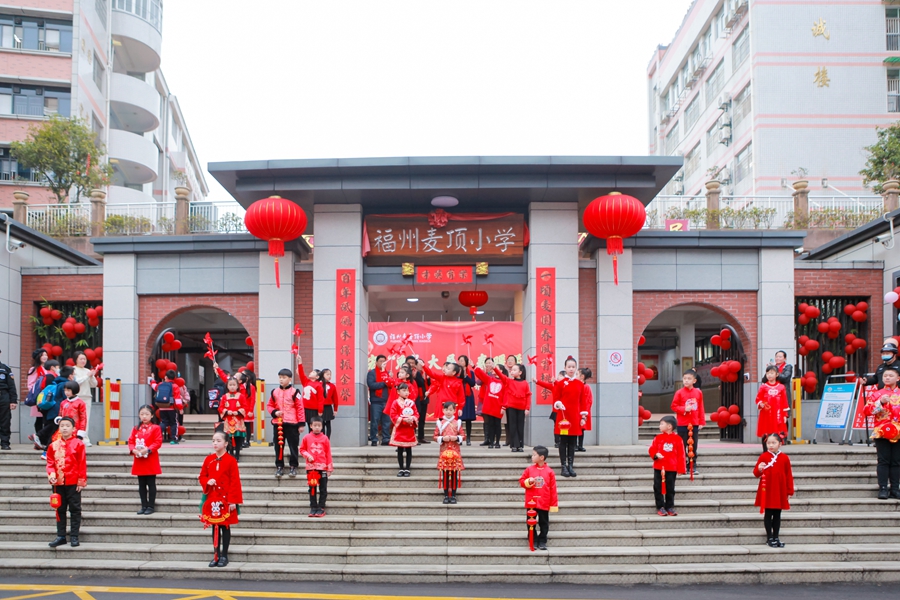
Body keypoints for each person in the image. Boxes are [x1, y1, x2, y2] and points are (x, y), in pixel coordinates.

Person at [199, 431, 243, 567]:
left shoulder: (231, 460)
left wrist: (233, 501)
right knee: (214, 526)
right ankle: (216, 554)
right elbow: (202, 476)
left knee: (225, 526)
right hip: (212, 498)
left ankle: (224, 555)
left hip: (226, 498)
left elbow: (235, 481)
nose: (215, 443)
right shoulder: (208, 459)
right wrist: (207, 481)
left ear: (226, 443)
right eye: (213, 441)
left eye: (218, 441)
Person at [46, 416, 87, 548]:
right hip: (58, 483)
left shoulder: (78, 444)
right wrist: (51, 474)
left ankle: (74, 536)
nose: (64, 428)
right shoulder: (53, 445)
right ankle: (61, 536)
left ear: (73, 429)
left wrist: (81, 481)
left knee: (75, 509)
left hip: (73, 481)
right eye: (62, 425)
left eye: (67, 425)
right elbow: (50, 462)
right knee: (59, 509)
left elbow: (82, 463)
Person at [864, 365, 900, 499]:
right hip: (882, 432)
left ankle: (895, 488)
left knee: (896, 461)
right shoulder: (876, 394)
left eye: (891, 376)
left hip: (898, 432)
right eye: (885, 376)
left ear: (898, 378)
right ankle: (883, 488)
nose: (887, 378)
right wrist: (879, 402)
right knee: (883, 461)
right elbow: (867, 411)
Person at [754, 432, 794, 548]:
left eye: (773, 443)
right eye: (769, 443)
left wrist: (789, 491)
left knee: (777, 514)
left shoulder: (784, 458)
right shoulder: (764, 456)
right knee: (768, 513)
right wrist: (759, 469)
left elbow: (788, 475)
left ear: (779, 444)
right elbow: (756, 473)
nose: (771, 445)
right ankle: (769, 537)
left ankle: (776, 536)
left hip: (780, 489)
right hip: (768, 489)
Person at [552, 356, 587, 478]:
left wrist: (583, 417)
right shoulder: (560, 384)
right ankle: (563, 466)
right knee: (563, 441)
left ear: (576, 368)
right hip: (563, 417)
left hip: (575, 417)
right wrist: (558, 403)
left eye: (573, 367)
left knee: (572, 442)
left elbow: (583, 401)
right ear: (565, 368)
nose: (571, 369)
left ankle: (571, 466)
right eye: (569, 367)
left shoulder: (579, 384)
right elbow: (555, 398)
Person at [266, 368, 304, 478]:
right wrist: (274, 412)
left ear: (290, 379)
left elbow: (300, 408)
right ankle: (279, 466)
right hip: (278, 423)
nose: (281, 380)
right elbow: (269, 405)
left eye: (284, 377)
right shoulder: (274, 392)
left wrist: (301, 424)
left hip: (292, 423)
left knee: (293, 445)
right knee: (278, 446)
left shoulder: (295, 392)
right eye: (280, 377)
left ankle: (293, 466)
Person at [519, 445, 558, 551]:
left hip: (544, 501)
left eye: (534, 455)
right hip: (531, 501)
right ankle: (533, 539)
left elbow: (553, 489)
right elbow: (522, 481)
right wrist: (528, 482)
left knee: (544, 522)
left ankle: (542, 540)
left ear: (541, 457)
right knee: (530, 521)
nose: (532, 457)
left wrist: (553, 504)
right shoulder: (529, 470)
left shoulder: (550, 472)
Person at [129, 405, 162, 515]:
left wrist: (147, 450)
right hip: (139, 459)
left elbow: (157, 442)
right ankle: (143, 505)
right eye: (142, 414)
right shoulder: (135, 428)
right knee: (141, 484)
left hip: (150, 458)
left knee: (151, 483)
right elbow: (131, 441)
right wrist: (133, 450)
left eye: (147, 414)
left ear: (152, 415)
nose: (144, 416)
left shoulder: (156, 428)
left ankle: (151, 506)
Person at [670, 370, 706, 475]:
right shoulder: (679, 392)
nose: (686, 381)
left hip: (694, 422)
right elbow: (674, 406)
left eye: (689, 379)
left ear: (694, 380)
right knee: (681, 445)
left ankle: (692, 466)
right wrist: (684, 409)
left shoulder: (698, 392)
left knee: (693, 446)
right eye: (685, 378)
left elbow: (701, 408)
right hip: (682, 423)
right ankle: (681, 466)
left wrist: (701, 421)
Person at [649, 415, 686, 516]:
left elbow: (681, 455)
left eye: (661, 424)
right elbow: (652, 449)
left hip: (671, 468)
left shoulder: (678, 439)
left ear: (669, 426)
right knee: (658, 487)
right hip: (659, 467)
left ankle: (669, 506)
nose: (659, 426)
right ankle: (660, 506)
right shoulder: (658, 438)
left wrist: (681, 469)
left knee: (670, 488)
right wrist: (656, 455)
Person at [300, 416, 333, 517]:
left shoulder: (325, 438)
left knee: (323, 488)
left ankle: (321, 507)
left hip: (322, 468)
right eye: (315, 425)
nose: (317, 428)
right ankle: (313, 506)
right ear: (311, 426)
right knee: (312, 488)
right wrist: (307, 456)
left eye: (319, 426)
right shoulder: (306, 438)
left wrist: (329, 467)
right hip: (312, 468)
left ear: (322, 427)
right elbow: (302, 449)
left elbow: (328, 453)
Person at [35, 364, 73, 452]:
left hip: (51, 409)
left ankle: (45, 446)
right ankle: (40, 437)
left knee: (53, 430)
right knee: (53, 430)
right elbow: (66, 399)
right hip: (57, 411)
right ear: (70, 375)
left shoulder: (57, 382)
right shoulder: (64, 384)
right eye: (73, 374)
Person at [494, 362, 531, 452]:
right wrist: (495, 368)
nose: (512, 371)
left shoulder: (525, 383)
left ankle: (520, 445)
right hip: (511, 407)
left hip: (521, 408)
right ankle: (514, 445)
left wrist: (527, 408)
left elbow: (528, 396)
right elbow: (501, 376)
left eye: (514, 370)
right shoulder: (509, 381)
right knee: (512, 426)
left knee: (520, 426)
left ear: (520, 372)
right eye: (511, 370)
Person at [435, 401, 465, 504]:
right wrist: (442, 438)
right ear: (443, 410)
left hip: (455, 453)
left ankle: (453, 495)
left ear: (454, 411)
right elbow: (435, 436)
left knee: (454, 474)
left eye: (451, 410)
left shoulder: (458, 423)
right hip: (444, 452)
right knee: (445, 474)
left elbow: (463, 435)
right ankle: (446, 495)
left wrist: (456, 437)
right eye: (446, 410)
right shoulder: (440, 423)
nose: (448, 412)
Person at [420, 359, 465, 424]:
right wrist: (424, 366)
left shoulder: (458, 382)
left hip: (452, 407)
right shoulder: (442, 378)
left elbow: (461, 396)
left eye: (448, 369)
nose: (445, 370)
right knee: (442, 424)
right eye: (446, 368)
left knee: (452, 426)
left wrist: (460, 408)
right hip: (442, 406)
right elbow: (432, 374)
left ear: (454, 372)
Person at [475, 360, 506, 449]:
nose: (494, 370)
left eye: (497, 369)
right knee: (490, 424)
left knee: (497, 424)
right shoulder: (490, 379)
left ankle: (497, 442)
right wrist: (474, 366)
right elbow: (481, 375)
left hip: (498, 406)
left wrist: (504, 406)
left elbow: (506, 395)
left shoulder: (505, 381)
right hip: (489, 405)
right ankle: (491, 442)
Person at [389, 383, 418, 477]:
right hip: (400, 429)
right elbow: (393, 414)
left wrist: (413, 418)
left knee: (409, 449)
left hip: (408, 429)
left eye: (407, 390)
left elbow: (416, 414)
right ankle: (401, 468)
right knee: (400, 449)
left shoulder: (411, 403)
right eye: (404, 390)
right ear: (398, 392)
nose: (406, 392)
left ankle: (408, 469)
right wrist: (402, 419)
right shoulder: (395, 402)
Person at [757, 365, 789, 448]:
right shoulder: (763, 387)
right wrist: (761, 403)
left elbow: (784, 401)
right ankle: (765, 450)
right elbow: (758, 398)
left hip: (778, 413)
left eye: (772, 373)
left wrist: (785, 414)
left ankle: (775, 450)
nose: (769, 375)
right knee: (765, 431)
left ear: (777, 374)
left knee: (777, 431)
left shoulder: (781, 387)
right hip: (766, 413)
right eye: (767, 373)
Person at [72, 351, 99, 447]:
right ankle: (75, 438)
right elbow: (75, 382)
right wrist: (87, 376)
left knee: (86, 418)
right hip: (77, 397)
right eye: (81, 359)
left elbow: (94, 384)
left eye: (84, 359)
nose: (83, 361)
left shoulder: (87, 370)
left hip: (87, 397)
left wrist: (92, 376)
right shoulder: (73, 370)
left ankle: (84, 438)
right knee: (76, 418)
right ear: (76, 360)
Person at [218, 377, 247, 462]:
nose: (232, 387)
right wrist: (226, 411)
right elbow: (220, 408)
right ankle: (230, 453)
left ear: (237, 386)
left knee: (238, 438)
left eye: (234, 385)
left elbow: (245, 407)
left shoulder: (241, 396)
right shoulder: (224, 397)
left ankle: (237, 454)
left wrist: (238, 412)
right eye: (230, 385)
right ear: (227, 386)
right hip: (228, 420)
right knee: (228, 438)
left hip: (238, 420)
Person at [536, 370, 566, 449]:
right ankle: (557, 442)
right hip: (556, 410)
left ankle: (563, 441)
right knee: (556, 426)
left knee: (564, 426)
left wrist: (556, 381)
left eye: (560, 375)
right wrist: (537, 381)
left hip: (564, 410)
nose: (558, 377)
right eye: (558, 375)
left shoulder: (565, 386)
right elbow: (545, 385)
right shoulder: (554, 386)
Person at [151, 370, 183, 445]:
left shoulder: (160, 384)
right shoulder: (175, 386)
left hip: (161, 407)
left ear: (165, 377)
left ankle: (155, 436)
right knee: (173, 423)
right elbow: (177, 399)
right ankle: (174, 439)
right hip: (171, 407)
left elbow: (153, 386)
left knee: (163, 422)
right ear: (174, 378)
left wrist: (152, 379)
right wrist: (180, 408)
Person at [367, 355, 391, 446]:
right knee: (375, 421)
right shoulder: (372, 373)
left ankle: (385, 439)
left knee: (386, 421)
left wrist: (389, 379)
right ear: (376, 362)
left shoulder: (388, 373)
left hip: (386, 400)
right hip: (376, 401)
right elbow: (372, 385)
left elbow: (391, 385)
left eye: (384, 361)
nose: (382, 363)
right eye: (381, 361)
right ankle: (374, 439)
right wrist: (384, 383)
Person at [406, 356, 430, 444]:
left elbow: (422, 384)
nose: (411, 364)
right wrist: (413, 377)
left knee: (421, 419)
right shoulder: (404, 372)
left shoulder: (420, 373)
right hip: (412, 399)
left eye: (413, 363)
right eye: (410, 362)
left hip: (422, 398)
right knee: (413, 419)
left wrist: (424, 378)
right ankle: (412, 437)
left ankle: (421, 437)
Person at [27, 349, 49, 440]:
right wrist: (38, 395)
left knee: (47, 419)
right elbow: (31, 384)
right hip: (39, 397)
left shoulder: (48, 368)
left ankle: (43, 439)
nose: (45, 357)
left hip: (48, 397)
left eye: (46, 355)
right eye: (42, 355)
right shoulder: (34, 369)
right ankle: (39, 439)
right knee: (39, 419)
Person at [457, 355, 478, 446]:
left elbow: (472, 383)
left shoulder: (471, 373)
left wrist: (465, 376)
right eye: (459, 360)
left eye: (462, 360)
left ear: (466, 362)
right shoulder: (456, 372)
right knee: (459, 419)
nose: (460, 362)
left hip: (468, 397)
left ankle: (468, 438)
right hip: (458, 396)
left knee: (468, 419)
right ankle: (460, 437)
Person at [0, 349, 17, 450]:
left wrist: (13, 400)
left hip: (3, 396)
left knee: (5, 421)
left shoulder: (5, 368)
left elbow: (11, 386)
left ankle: (5, 443)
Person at [296, 358, 321, 425]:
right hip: (305, 408)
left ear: (317, 377)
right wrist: (300, 362)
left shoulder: (319, 385)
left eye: (313, 372)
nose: (310, 372)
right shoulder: (306, 382)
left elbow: (320, 399)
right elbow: (301, 374)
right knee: (308, 424)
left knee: (314, 425)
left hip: (314, 410)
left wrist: (320, 410)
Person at [317, 368, 338, 438]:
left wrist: (335, 409)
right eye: (327, 374)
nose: (329, 376)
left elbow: (335, 398)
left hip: (328, 407)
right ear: (322, 375)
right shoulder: (318, 384)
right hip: (320, 407)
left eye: (330, 374)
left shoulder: (332, 386)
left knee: (328, 424)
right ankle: (322, 438)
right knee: (321, 424)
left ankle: (327, 439)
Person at [577, 368, 593, 452]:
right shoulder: (578, 386)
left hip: (581, 411)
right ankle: (577, 445)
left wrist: (585, 412)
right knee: (577, 429)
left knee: (581, 429)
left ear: (582, 376)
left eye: (577, 374)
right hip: (577, 410)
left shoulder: (585, 387)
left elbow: (588, 400)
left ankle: (579, 445)